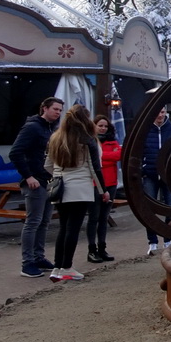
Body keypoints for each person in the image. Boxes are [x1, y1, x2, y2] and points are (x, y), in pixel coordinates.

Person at [44, 104, 107, 282]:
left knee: (63, 228)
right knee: (73, 228)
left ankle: (57, 267)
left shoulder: (55, 137)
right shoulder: (87, 140)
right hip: (80, 188)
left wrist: (58, 176)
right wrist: (103, 191)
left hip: (60, 188)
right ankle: (67, 267)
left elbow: (47, 165)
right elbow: (95, 168)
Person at [9, 96, 64, 278]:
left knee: (45, 221)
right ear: (45, 108)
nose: (58, 113)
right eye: (55, 109)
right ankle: (27, 263)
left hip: (48, 180)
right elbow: (16, 152)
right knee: (33, 221)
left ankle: (39, 257)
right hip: (35, 181)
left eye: (60, 110)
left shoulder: (51, 129)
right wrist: (28, 176)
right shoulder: (32, 127)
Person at [142, 106, 171, 255]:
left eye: (163, 112)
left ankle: (168, 239)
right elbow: (138, 149)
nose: (160, 115)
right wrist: (142, 168)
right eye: (158, 112)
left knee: (170, 207)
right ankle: (152, 241)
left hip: (168, 174)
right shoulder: (145, 129)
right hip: (150, 173)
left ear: (166, 113)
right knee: (149, 209)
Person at [86, 114, 120, 263]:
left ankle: (102, 248)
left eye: (105, 126)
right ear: (94, 126)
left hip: (111, 182)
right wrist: (107, 156)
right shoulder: (91, 141)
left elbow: (118, 155)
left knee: (104, 217)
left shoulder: (112, 141)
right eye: (100, 125)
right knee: (93, 217)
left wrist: (102, 157)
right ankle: (91, 250)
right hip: (94, 183)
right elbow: (93, 161)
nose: (103, 128)